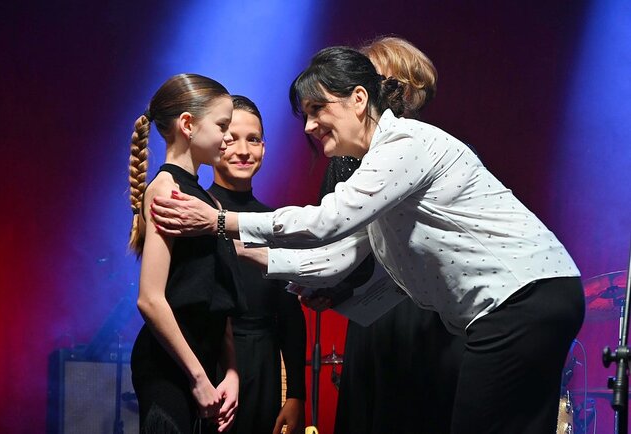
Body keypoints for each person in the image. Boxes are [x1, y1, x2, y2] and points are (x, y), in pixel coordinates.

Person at [150, 48, 585, 433]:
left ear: (359, 99)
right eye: (305, 115)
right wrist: (244, 249)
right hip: (528, 300)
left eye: (317, 109)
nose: (309, 126)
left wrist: (222, 221)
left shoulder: (402, 144)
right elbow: (336, 260)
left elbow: (327, 222)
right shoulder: (377, 173)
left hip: (521, 297)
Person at [307, 36, 466, 434]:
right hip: (399, 311)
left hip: (409, 313)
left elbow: (338, 239)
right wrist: (335, 288)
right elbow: (347, 241)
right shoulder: (363, 154)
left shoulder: (403, 148)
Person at [128, 73, 246, 434]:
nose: (228, 137)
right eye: (222, 125)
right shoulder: (166, 190)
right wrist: (197, 378)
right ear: (188, 125)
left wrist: (231, 371)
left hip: (206, 367)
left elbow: (219, 296)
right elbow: (150, 299)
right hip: (170, 366)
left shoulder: (209, 202)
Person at [207, 95, 306, 434]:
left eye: (253, 139)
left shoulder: (275, 221)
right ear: (214, 142)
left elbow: (290, 315)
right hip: (210, 358)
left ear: (264, 148)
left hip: (264, 362)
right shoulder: (198, 211)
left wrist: (296, 394)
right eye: (231, 139)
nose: (243, 150)